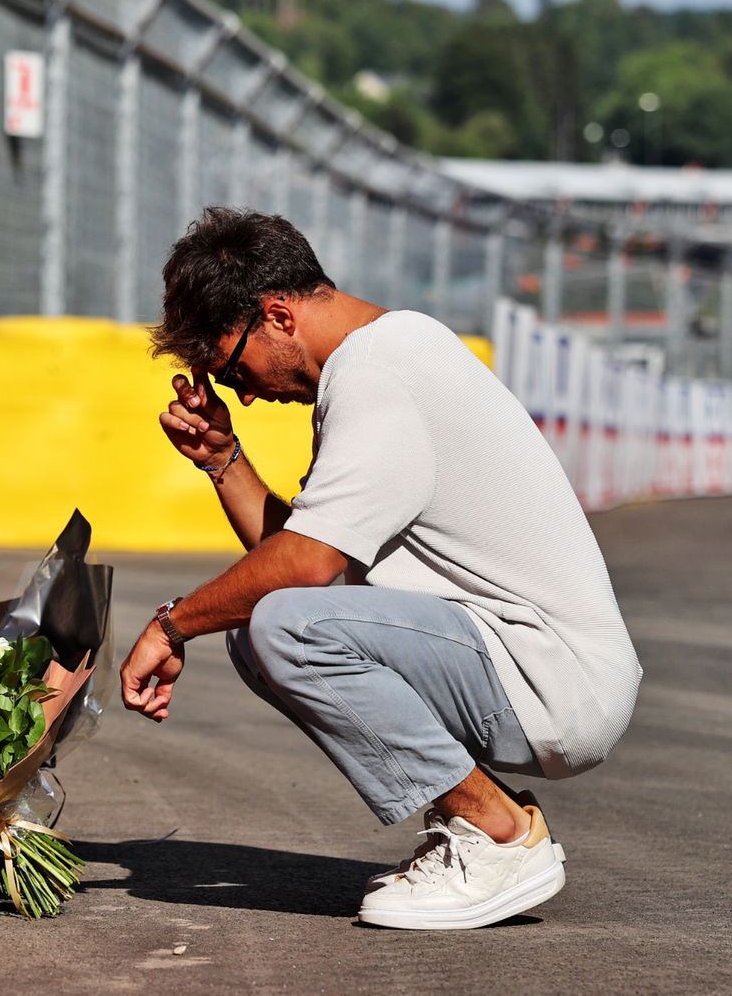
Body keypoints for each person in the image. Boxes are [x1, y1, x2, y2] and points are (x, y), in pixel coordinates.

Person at [120, 207, 641, 930]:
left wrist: (171, 624)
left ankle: (499, 834)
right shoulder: (383, 359)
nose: (244, 392)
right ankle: (482, 817)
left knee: (274, 625)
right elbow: (305, 558)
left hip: (552, 674)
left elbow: (305, 567)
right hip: (529, 662)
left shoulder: (377, 378)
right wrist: (223, 460)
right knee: (260, 626)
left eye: (234, 368)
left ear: (277, 314)